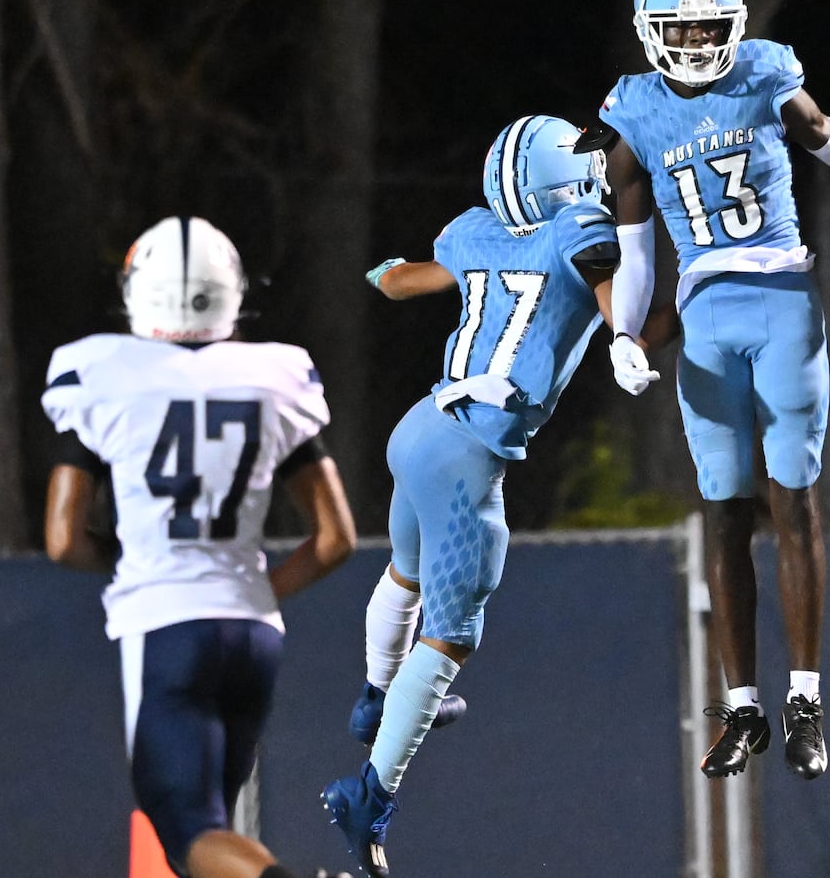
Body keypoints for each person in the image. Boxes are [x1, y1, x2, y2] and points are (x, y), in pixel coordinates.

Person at [589, 0, 830, 780]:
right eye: (684, 27)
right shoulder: (633, 118)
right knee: (721, 509)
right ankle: (741, 707)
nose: (701, 41)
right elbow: (636, 255)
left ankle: (806, 698)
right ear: (649, 30)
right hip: (705, 314)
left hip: (782, 298)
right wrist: (624, 338)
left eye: (712, 25)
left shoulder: (768, 78)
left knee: (793, 499)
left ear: (737, 22)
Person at [320, 115, 632, 878]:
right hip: (468, 459)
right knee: (454, 634)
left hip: (421, 426)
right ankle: (368, 797)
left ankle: (374, 697)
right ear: (568, 183)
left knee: (405, 573)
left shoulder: (472, 232)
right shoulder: (579, 229)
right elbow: (609, 281)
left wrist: (378, 270)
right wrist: (627, 334)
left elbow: (397, 281)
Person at [42, 216, 356, 878]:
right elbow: (335, 539)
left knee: (189, 829)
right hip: (251, 630)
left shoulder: (101, 373)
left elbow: (63, 537)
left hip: (165, 626)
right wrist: (254, 591)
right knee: (213, 843)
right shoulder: (276, 375)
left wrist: (130, 563)